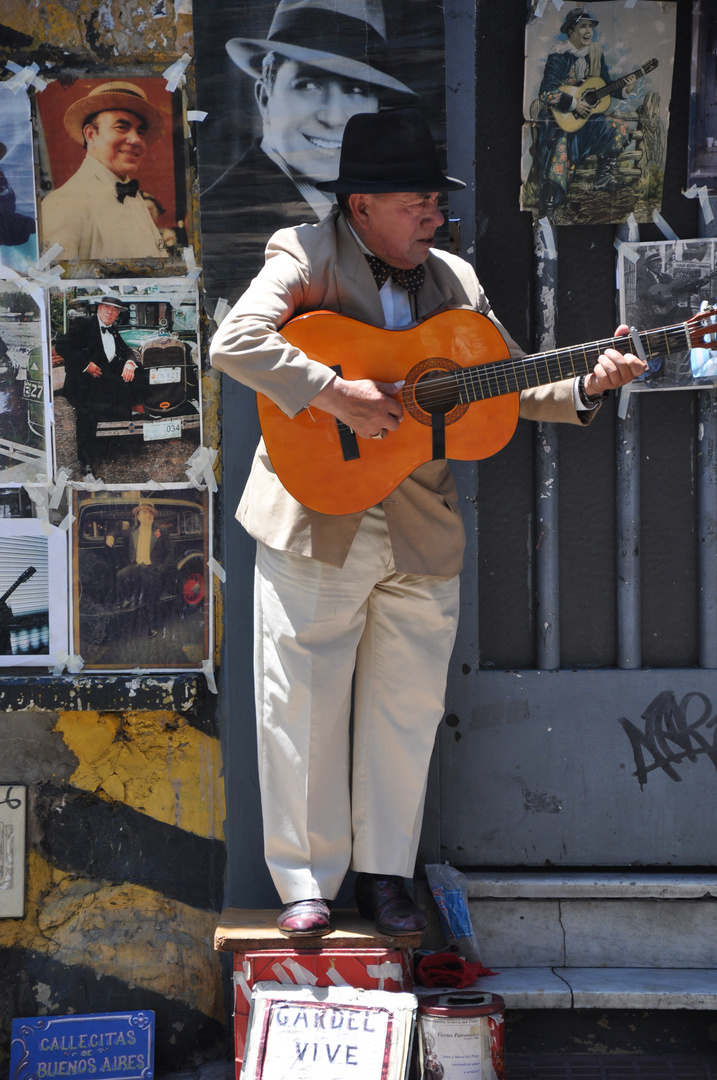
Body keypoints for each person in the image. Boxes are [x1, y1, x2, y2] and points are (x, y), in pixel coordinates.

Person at [209, 108, 647, 938]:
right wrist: (337, 392)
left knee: (404, 710)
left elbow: (509, 384)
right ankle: (304, 880)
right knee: (298, 701)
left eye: (434, 205)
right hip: (316, 517)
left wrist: (590, 383)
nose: (433, 217)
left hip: (419, 525)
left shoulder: (454, 280)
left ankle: (382, 878)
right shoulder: (301, 255)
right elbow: (234, 344)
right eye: (417, 203)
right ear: (363, 204)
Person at [200, 0, 417, 304]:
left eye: (357, 90)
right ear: (265, 97)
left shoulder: (383, 211)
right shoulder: (221, 220)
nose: (333, 117)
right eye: (309, 84)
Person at [40, 81, 169, 261]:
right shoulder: (61, 205)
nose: (136, 139)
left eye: (141, 131)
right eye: (121, 127)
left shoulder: (135, 198)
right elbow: (61, 285)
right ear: (91, 134)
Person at [535, 8, 640, 218]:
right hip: (561, 123)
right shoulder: (559, 55)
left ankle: (602, 179)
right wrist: (573, 103)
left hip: (588, 122)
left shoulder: (595, 54)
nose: (588, 31)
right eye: (583, 26)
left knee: (618, 128)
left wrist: (623, 89)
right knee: (560, 148)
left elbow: (604, 85)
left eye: (590, 27)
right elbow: (546, 93)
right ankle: (548, 203)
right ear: (571, 30)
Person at [53, 293, 145, 479]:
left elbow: (127, 350)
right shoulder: (83, 324)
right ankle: (86, 462)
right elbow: (62, 346)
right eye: (107, 307)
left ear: (118, 313)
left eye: (115, 310)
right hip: (83, 384)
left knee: (125, 396)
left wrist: (130, 363)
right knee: (87, 415)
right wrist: (86, 364)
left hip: (105, 383)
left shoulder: (114, 329)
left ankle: (114, 446)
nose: (110, 312)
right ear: (98, 308)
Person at [109, 500, 171, 639]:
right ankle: (128, 598)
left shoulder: (161, 532)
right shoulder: (133, 531)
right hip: (137, 567)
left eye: (151, 513)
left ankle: (152, 627)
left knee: (152, 598)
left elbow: (170, 552)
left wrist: (162, 569)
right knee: (121, 575)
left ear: (153, 516)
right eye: (144, 512)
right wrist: (111, 535)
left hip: (153, 569)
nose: (148, 515)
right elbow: (118, 532)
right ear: (138, 516)